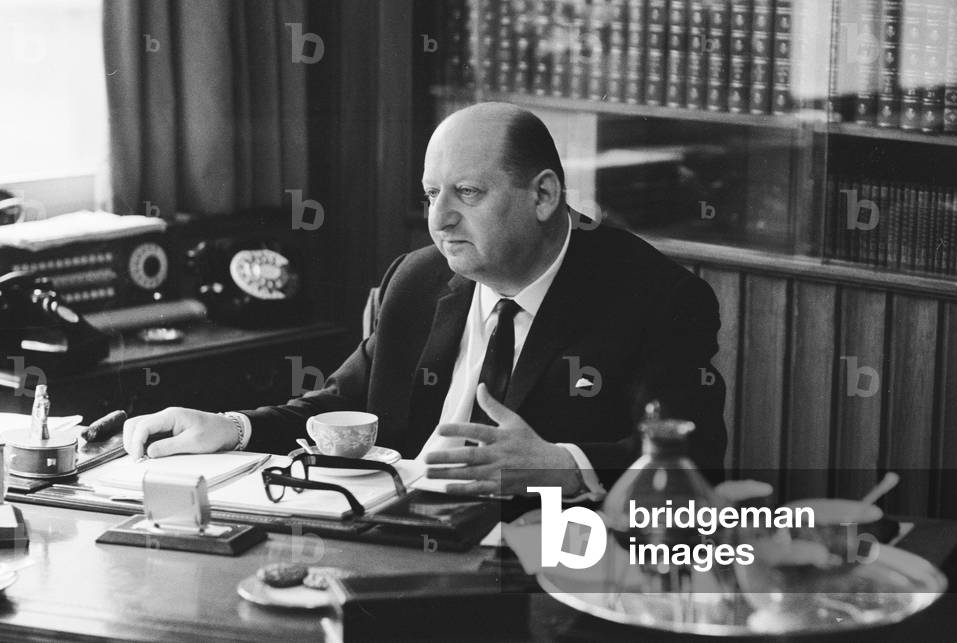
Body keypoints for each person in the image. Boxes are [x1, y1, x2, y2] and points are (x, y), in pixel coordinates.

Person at [124, 102, 726, 497]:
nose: (439, 220)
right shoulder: (417, 280)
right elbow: (343, 409)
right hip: (399, 540)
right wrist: (232, 428)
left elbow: (694, 461)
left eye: (467, 193)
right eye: (431, 194)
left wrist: (564, 468)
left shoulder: (657, 299)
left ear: (543, 195)